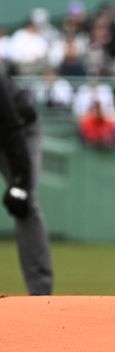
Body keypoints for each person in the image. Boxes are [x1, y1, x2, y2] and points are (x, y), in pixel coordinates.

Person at [0, 61, 53, 295]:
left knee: (25, 204)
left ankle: (40, 295)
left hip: (19, 132)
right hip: (9, 130)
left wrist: (20, 182)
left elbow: (11, 130)